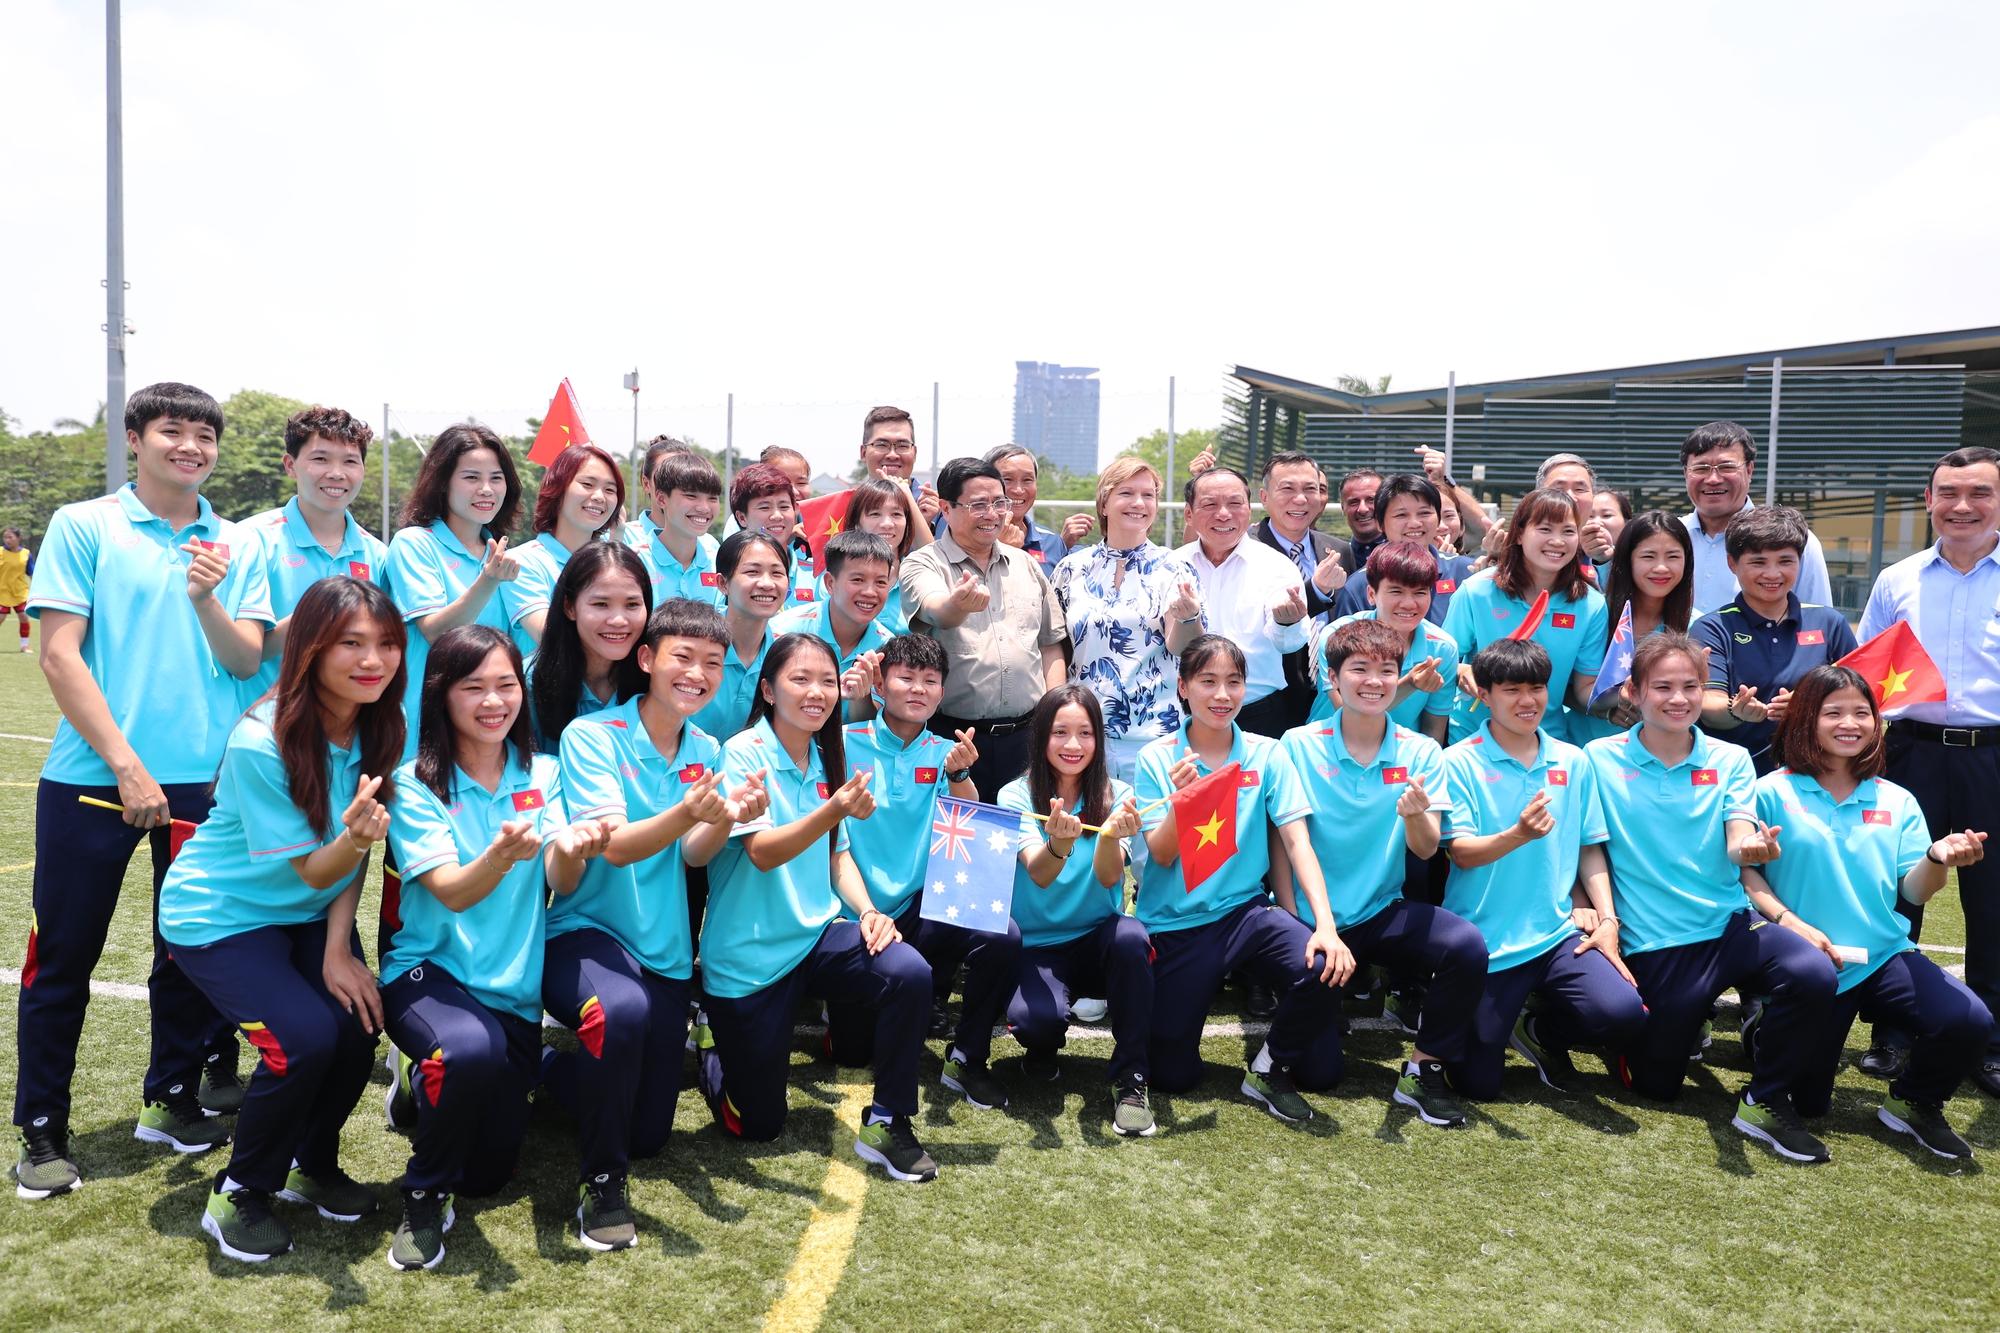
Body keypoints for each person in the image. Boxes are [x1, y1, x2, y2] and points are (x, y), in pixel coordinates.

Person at [15, 382, 274, 1197]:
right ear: (136, 438)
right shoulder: (83, 524)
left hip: (207, 783)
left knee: (189, 953)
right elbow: (60, 655)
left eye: (204, 434)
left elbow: (243, 661)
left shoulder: (238, 541)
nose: (189, 446)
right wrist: (127, 763)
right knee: (62, 956)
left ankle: (169, 1097)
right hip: (93, 779)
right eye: (172, 430)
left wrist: (205, 596)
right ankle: (42, 1128)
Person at [156, 577, 402, 1259]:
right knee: (299, 1041)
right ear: (311, 648)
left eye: (385, 643)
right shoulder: (263, 740)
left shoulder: (381, 722)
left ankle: (310, 1163)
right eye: (351, 643)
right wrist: (355, 839)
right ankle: (239, 1190)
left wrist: (337, 950)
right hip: (220, 917)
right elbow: (322, 862)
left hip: (306, 911)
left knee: (355, 1027)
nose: (372, 659)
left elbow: (349, 858)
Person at [380, 624, 608, 1269]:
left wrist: (570, 852)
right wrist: (504, 856)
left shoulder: (546, 772)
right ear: (440, 696)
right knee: (466, 1050)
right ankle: (423, 1196)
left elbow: (563, 884)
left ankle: (435, 1084)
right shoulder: (414, 783)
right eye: (472, 686)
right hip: (429, 972)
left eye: (506, 685)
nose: (493, 701)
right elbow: (451, 890)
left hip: (513, 990)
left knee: (487, 1175)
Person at [546, 598, 763, 1250]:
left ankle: (533, 1069)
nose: (697, 673)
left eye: (713, 664)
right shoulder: (591, 737)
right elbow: (613, 844)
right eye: (683, 657)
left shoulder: (710, 748)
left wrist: (724, 816)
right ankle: (602, 1183)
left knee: (650, 1134)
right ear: (647, 659)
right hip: (586, 928)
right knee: (621, 1011)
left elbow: (693, 853)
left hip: (664, 948)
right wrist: (688, 810)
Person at [686, 633, 942, 1183]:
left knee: (908, 970)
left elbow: (838, 856)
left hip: (817, 935)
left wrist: (870, 911)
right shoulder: (743, 754)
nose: (817, 692)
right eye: (800, 679)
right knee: (757, 1125)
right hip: (749, 958)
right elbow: (761, 854)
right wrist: (832, 811)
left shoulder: (829, 755)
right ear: (769, 691)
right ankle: (710, 1032)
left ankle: (889, 1121)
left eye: (828, 680)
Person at [1580, 633, 1840, 1161]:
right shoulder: (1597, 758)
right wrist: (1604, 917)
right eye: (1664, 687)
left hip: (1729, 928)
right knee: (1657, 1087)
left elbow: (1738, 840)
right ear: (1632, 691)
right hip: (1655, 944)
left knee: (1813, 973)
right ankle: (1616, 1032)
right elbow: (1590, 848)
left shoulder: (1730, 759)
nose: (1679, 699)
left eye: (1691, 686)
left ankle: (1764, 1100)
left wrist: (1754, 848)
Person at [1741, 664, 1991, 1160]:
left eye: (1862, 712)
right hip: (1809, 961)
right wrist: (1790, 924)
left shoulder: (1897, 799)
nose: (1849, 723)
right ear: (1804, 719)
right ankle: (1762, 1061)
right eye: (1832, 712)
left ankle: (1914, 1102)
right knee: (1810, 1104)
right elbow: (1746, 876)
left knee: (1968, 1020)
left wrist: (1937, 858)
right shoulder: (1771, 790)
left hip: (1880, 955)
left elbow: (1915, 893)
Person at [1273, 619, 1488, 1126]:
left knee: (1466, 946)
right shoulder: (1296, 744)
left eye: (1387, 670)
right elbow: (1284, 841)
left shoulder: (1421, 751)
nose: (1374, 681)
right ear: (1334, 679)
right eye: (1360, 670)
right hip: (1312, 922)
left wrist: (1415, 815)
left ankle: (1423, 1069)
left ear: (1400, 678)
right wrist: (1292, 919)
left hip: (1379, 912)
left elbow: (1428, 846)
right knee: (1320, 1074)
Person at [1134, 636, 1346, 1122]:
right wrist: (1183, 800)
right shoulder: (1158, 758)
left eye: (1233, 682)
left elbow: (1297, 843)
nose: (1222, 694)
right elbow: (1162, 856)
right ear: (1183, 688)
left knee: (1322, 1062)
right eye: (1208, 681)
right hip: (1176, 924)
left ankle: (1266, 1069)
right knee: (1173, 1076)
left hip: (1247, 913)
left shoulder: (1268, 753)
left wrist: (1325, 926)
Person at [1435, 638, 1645, 1100]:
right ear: (1484, 695)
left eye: (1536, 688)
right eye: (1511, 689)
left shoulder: (1573, 760)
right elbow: (1462, 853)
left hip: (1555, 934)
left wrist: (1606, 919)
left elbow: (1591, 848)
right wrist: (1519, 834)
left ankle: (1541, 1031)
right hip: (1484, 942)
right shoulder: (1457, 761)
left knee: (1624, 1013)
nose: (1527, 701)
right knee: (1475, 1085)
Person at [1856, 445, 2000, 1094]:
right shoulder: (1898, 579)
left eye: (1980, 493)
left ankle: (1990, 1041)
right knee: (1897, 892)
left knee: (1993, 903)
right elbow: (1864, 676)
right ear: (1928, 500)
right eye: (1948, 492)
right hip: (1909, 750)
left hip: (1995, 756)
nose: (1962, 506)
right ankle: (1892, 1032)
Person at [828, 634, 1010, 1107]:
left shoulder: (947, 753)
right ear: (879, 687)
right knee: (853, 1053)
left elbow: (967, 830)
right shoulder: (843, 745)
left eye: (930, 681)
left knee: (1003, 934)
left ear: (942, 693)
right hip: (856, 915)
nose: (918, 689)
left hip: (921, 909)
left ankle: (967, 1058)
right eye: (905, 678)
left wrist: (959, 776)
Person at [999, 684, 1153, 1134]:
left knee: (1131, 935)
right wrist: (1060, 844)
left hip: (1097, 942)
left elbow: (1110, 879)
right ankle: (1043, 1047)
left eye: (1085, 733)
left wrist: (1107, 836)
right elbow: (1040, 873)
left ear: (1099, 740)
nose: (1072, 745)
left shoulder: (1119, 792)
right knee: (1036, 1024)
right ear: (1041, 737)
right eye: (1060, 732)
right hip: (1038, 946)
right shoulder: (1015, 796)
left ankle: (1131, 1078)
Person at [902, 456, 1068, 801]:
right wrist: (957, 605)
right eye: (978, 505)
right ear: (946, 509)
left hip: (1028, 738)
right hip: (953, 740)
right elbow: (937, 609)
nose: (992, 514)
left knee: (1024, 842)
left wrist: (1055, 713)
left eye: (999, 503)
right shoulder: (923, 563)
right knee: (959, 843)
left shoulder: (1025, 564)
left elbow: (1050, 644)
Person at [381, 422, 536, 757]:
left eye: (496, 478)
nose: (486, 489)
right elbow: (437, 631)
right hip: (425, 729)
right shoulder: (415, 543)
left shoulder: (501, 556)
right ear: (442, 483)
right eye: (471, 478)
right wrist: (488, 581)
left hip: (490, 730)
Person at [1051, 456, 1205, 782]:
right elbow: (1054, 649)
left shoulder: (1173, 567)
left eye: (1148, 495)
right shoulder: (1071, 568)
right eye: (1126, 493)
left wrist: (1189, 617)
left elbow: (1182, 648)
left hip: (1155, 737)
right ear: (1104, 503)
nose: (1139, 503)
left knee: (1150, 833)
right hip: (1082, 736)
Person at [237, 406, 389, 701]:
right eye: (320, 459)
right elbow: (239, 654)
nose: (336, 474)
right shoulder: (250, 540)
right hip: (267, 725)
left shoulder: (378, 555)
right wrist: (315, 616)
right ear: (290, 465)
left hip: (348, 727)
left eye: (350, 461)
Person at [1691, 506, 1856, 774]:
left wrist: (1809, 705)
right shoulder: (1712, 628)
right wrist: (1737, 711)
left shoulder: (1829, 623)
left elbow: (1861, 696)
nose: (1772, 574)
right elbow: (1708, 702)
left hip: (1817, 776)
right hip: (1735, 778)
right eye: (1758, 562)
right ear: (1732, 563)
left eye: (1785, 561)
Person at [1442, 487, 1608, 744]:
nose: (1557, 541)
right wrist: (1463, 670)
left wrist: (1632, 693)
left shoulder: (1591, 605)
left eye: (1568, 531)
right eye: (1545, 529)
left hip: (1547, 740)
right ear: (1518, 534)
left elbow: (1585, 689)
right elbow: (1443, 660)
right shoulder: (1477, 591)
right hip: (1473, 739)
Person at [1175, 467, 1310, 739]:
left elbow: (1290, 644)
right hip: (1184, 716)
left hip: (1257, 715)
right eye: (1210, 504)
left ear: (1249, 510)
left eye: (1235, 503)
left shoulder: (1276, 566)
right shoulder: (1172, 565)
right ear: (1189, 514)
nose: (1223, 514)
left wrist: (1287, 621)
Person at [1308, 542, 1458, 744]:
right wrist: (1410, 684)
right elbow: (1349, 714)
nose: (1408, 603)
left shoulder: (1443, 649)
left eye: (1420, 592)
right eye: (1396, 592)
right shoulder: (1337, 635)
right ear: (1371, 594)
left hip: (1396, 759)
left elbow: (1433, 728)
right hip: (1326, 751)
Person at [1679, 421, 1832, 614]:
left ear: (1750, 470)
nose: (1713, 479)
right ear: (1686, 473)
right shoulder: (1667, 539)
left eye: (1726, 467)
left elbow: (1818, 623)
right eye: (1701, 468)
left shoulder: (1797, 542)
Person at [1572, 511, 1696, 741]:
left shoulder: (1697, 625)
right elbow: (1567, 688)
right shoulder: (1595, 611)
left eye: (1673, 556)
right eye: (1648, 556)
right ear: (1627, 560)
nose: (1661, 568)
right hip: (1586, 750)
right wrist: (1606, 709)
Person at [525, 542, 653, 752]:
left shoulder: (656, 681)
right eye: (601, 604)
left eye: (632, 605)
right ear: (569, 607)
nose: (619, 620)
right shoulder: (525, 685)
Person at [770, 530, 898, 720]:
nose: (870, 592)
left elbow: (870, 727)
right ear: (830, 583)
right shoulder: (783, 632)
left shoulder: (887, 647)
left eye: (880, 582)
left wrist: (860, 697)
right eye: (858, 580)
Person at [511, 443, 628, 637]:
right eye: (588, 485)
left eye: (609, 490)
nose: (599, 497)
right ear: (557, 490)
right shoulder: (522, 563)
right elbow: (550, 638)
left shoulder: (614, 562)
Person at [1331, 474, 1475, 624]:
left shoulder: (1466, 572)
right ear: (1380, 524)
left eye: (1424, 513)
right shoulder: (1358, 586)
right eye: (1401, 515)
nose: (1414, 523)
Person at [690, 531, 790, 742]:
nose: (767, 583)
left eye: (777, 573)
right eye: (752, 572)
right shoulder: (691, 649)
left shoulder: (788, 656)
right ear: (723, 583)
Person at [832, 477, 932, 632]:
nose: (887, 523)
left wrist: (905, 491)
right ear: (856, 523)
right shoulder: (835, 575)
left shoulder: (920, 577)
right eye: (875, 514)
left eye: (896, 514)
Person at [638, 451, 726, 608]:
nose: (704, 508)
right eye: (691, 496)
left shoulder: (720, 565)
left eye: (712, 498)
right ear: (661, 499)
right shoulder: (633, 562)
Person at [988, 444, 1090, 571]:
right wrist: (1003, 550)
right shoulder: (972, 540)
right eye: (1007, 479)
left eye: (1027, 480)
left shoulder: (1052, 542)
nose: (1018, 490)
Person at [729, 462, 815, 609]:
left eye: (784, 507)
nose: (777, 515)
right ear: (742, 518)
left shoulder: (816, 573)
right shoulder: (728, 569)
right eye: (764, 507)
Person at [856, 406, 935, 550]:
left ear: (914, 453)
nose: (892, 454)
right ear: (863, 452)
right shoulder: (847, 506)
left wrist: (923, 523)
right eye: (881, 445)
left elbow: (941, 567)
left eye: (902, 445)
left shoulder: (939, 510)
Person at [623, 435, 696, 550]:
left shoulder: (708, 544)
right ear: (646, 484)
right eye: (665, 477)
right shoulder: (622, 537)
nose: (677, 486)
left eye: (685, 477)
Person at [1334, 468, 1386, 572]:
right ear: (1343, 508)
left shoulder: (1408, 552)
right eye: (1354, 502)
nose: (1363, 509)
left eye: (1371, 500)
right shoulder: (1334, 559)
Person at [1, 525, 34, 652]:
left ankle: (24, 645)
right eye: (5, 537)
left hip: (20, 592)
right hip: (2, 592)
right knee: (1, 618)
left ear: (19, 538)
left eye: (10, 537)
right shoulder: (1, 552)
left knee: (24, 616)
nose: (7, 540)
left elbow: (31, 573)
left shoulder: (26, 554)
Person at [1583, 489, 1633, 566]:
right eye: (1590, 516)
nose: (1597, 522)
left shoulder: (1637, 558)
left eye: (1607, 515)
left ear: (1627, 523)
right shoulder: (1568, 558)